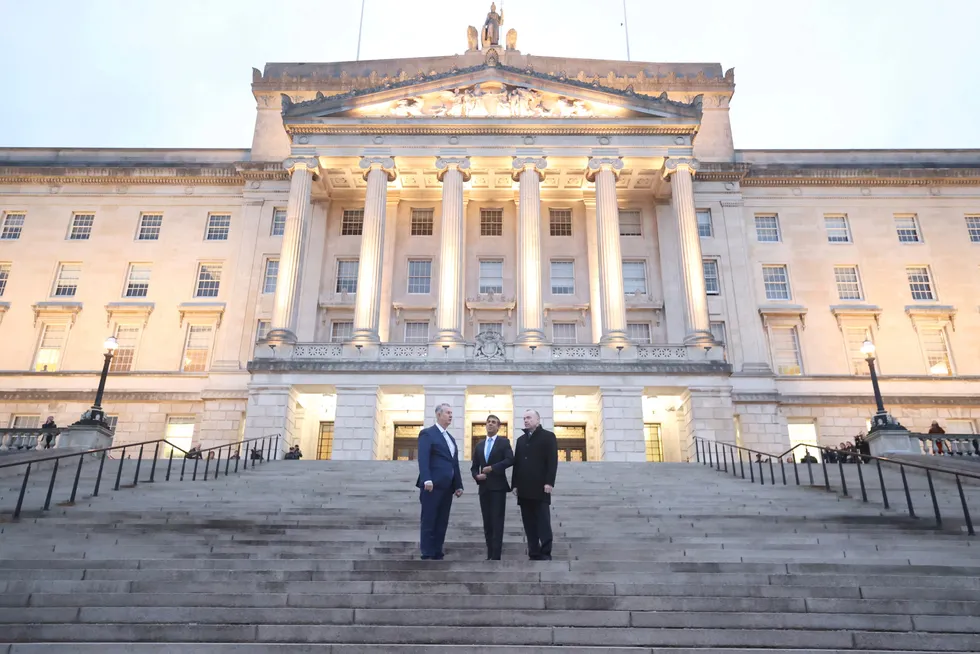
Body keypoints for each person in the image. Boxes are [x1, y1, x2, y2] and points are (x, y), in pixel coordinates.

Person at [416, 403, 464, 560]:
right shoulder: (427, 434)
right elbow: (423, 458)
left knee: (442, 520)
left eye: (452, 413)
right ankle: (427, 551)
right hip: (432, 485)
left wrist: (458, 485)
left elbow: (454, 463)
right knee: (429, 518)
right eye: (448, 413)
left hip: (447, 487)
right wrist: (426, 479)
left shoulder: (450, 439)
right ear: (438, 414)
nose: (450, 415)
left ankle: (437, 550)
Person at [512, 409, 558, 561]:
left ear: (538, 420)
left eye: (529, 418)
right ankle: (534, 552)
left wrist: (549, 482)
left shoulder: (548, 437)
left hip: (541, 487)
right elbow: (517, 464)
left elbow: (552, 461)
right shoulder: (520, 440)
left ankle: (545, 552)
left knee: (543, 521)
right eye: (524, 418)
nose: (526, 420)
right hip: (524, 489)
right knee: (528, 522)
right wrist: (515, 485)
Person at [470, 414, 514, 560]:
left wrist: (493, 468)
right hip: (484, 488)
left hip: (498, 488)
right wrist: (476, 476)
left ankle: (496, 555)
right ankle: (489, 554)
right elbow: (474, 467)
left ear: (498, 427)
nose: (490, 424)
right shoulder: (480, 445)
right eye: (488, 422)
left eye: (494, 422)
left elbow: (510, 460)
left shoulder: (503, 442)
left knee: (497, 521)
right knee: (487, 521)